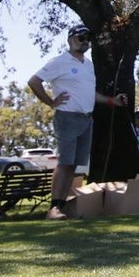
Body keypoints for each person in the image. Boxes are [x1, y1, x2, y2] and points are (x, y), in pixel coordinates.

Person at [28, 23, 127, 220]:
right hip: (67, 117)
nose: (85, 42)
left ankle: (62, 206)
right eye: (81, 38)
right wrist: (50, 102)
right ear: (71, 39)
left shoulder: (88, 65)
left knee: (73, 166)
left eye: (87, 39)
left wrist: (111, 101)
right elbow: (34, 81)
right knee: (65, 163)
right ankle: (53, 209)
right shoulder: (60, 61)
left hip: (85, 119)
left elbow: (90, 93)